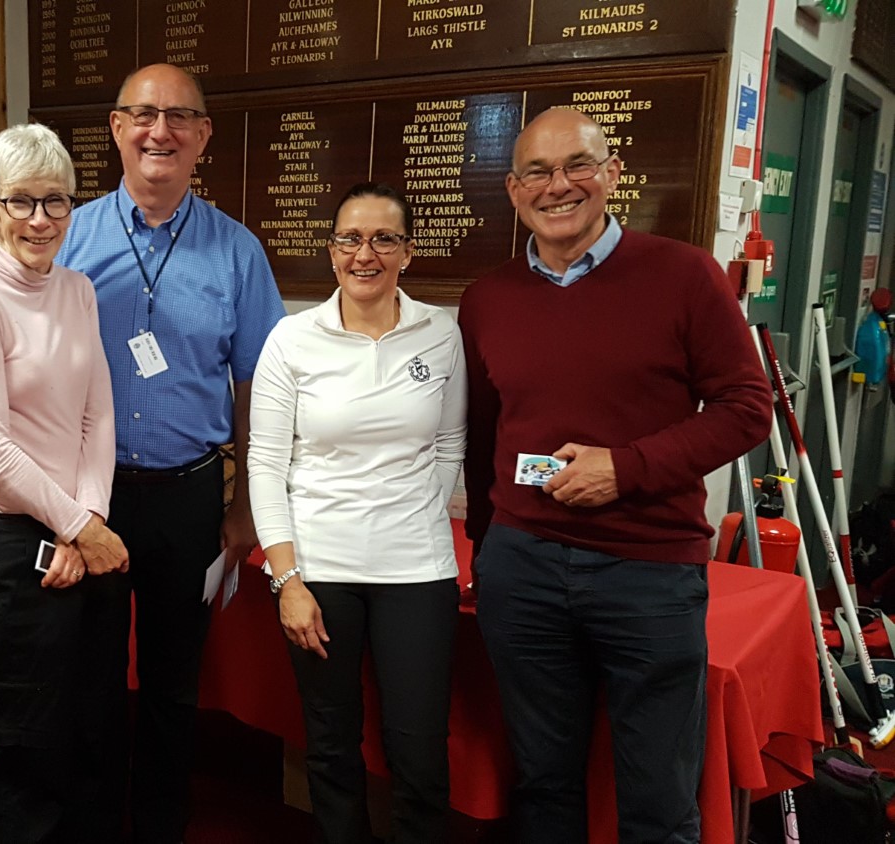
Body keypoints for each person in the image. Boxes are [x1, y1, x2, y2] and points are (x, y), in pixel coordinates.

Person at [459, 107, 773, 844]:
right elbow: (480, 436)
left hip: (649, 572)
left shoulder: (685, 275)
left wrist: (625, 470)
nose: (558, 185)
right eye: (537, 171)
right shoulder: (488, 299)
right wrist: (488, 547)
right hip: (523, 569)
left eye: (578, 166)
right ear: (512, 189)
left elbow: (746, 408)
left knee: (660, 800)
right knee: (542, 783)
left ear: (611, 176)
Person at [56, 63, 286, 843]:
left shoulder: (237, 251)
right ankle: (88, 822)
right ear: (116, 129)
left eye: (180, 117)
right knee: (85, 677)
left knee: (171, 682)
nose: (161, 131)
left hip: (190, 497)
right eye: (144, 115)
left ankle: (159, 823)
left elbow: (257, 384)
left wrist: (247, 503)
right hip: (89, 497)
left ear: (203, 137)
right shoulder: (68, 237)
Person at [249, 182, 465, 844]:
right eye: (349, 238)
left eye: (382, 239)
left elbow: (449, 445)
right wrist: (288, 581)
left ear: (408, 250)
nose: (363, 254)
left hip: (417, 569)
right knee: (332, 745)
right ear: (331, 249)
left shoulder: (443, 333)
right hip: (319, 570)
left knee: (420, 753)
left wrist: (411, 514)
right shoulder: (291, 339)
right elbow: (265, 464)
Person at [0, 122, 128, 843]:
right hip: (16, 552)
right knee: (31, 749)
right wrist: (78, 529)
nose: (41, 219)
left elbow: (97, 413)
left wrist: (87, 518)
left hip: (84, 531)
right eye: (21, 201)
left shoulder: (77, 289)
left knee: (92, 732)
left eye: (57, 201)